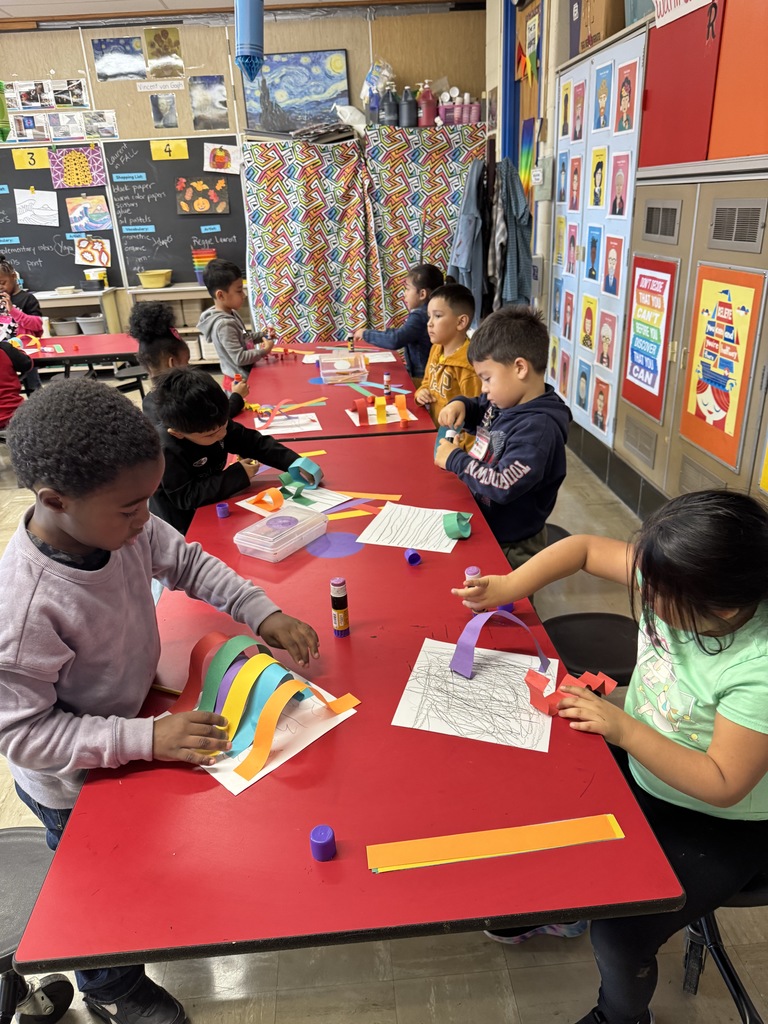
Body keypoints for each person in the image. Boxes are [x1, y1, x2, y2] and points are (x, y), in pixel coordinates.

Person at [0, 379, 319, 1024]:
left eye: (149, 501)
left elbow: (191, 564)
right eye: (130, 508)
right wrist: (145, 740)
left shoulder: (128, 524)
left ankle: (131, 947)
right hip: (73, 781)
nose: (147, 518)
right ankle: (110, 986)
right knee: (99, 893)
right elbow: (24, 735)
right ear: (55, 500)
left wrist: (262, 612)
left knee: (142, 865)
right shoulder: (26, 607)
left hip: (131, 725)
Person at [453, 489, 768, 1024]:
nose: (644, 594)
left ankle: (620, 1017)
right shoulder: (677, 575)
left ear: (723, 608)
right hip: (649, 755)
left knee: (623, 932)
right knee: (545, 789)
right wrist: (508, 586)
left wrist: (622, 727)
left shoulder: (756, 667)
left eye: (656, 596)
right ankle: (571, 905)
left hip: (723, 819)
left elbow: (722, 781)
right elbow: (579, 549)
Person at [434, 306, 571, 568]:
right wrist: (463, 405)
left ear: (520, 368)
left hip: (513, 545)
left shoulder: (538, 430)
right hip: (487, 525)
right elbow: (482, 408)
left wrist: (456, 460)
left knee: (508, 605)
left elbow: (502, 483)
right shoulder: (506, 401)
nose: (483, 389)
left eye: (487, 378)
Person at [149, 367, 315, 536]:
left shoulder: (213, 425)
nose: (223, 434)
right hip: (182, 524)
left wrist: (294, 462)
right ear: (177, 433)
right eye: (211, 435)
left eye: (224, 426)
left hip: (211, 504)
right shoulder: (167, 451)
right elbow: (186, 497)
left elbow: (253, 443)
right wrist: (237, 475)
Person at [128, 302, 249, 425]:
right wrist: (237, 396)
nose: (189, 365)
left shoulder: (147, 402)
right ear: (172, 363)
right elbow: (218, 417)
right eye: (187, 361)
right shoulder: (187, 397)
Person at [353, 263, 443, 382]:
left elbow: (396, 339)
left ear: (422, 294)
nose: (404, 294)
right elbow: (404, 333)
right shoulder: (430, 312)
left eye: (407, 289)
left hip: (421, 378)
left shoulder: (420, 316)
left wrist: (365, 333)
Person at [198, 259, 275, 395]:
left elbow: (245, 338)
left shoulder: (231, 313)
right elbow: (239, 358)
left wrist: (263, 335)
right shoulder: (224, 324)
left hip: (244, 378)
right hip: (238, 385)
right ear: (221, 295)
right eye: (239, 291)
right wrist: (264, 351)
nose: (244, 295)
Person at [414, 284, 481, 436]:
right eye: (429, 316)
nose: (429, 323)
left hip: (454, 447)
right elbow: (426, 382)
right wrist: (421, 393)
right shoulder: (437, 349)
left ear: (461, 322)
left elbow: (476, 417)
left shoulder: (469, 366)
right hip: (433, 432)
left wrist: (461, 455)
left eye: (437, 316)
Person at [0, 254, 44, 392]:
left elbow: (37, 324)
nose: (0, 287)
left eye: (2, 283)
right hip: (3, 352)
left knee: (33, 387)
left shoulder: (27, 299)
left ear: (13, 277)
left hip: (24, 351)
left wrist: (13, 310)